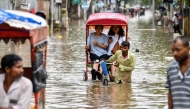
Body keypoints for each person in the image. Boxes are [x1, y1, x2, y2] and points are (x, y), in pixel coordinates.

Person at [165, 36, 190, 108]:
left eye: (178, 50)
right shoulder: (171, 68)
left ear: (188, 49)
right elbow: (170, 93)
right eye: (173, 50)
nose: (175, 53)